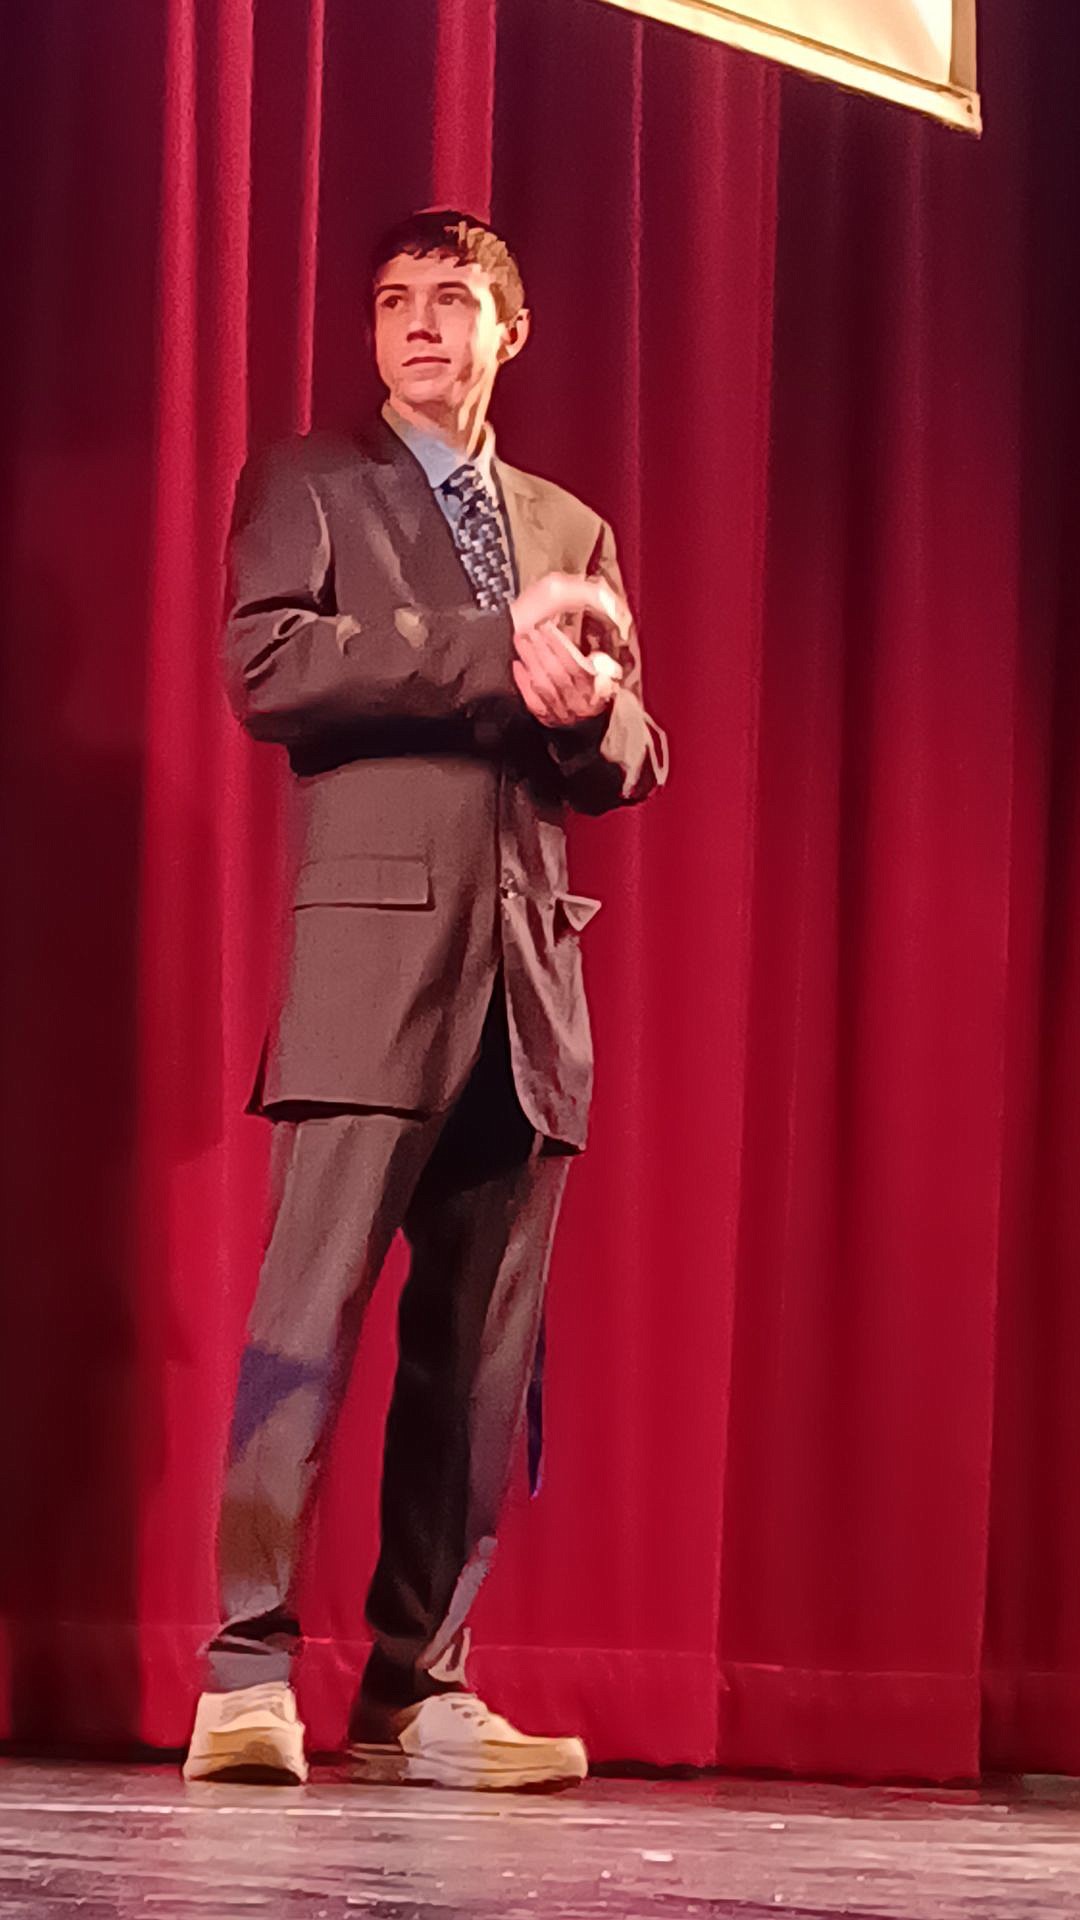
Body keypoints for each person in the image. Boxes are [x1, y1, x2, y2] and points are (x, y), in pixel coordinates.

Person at [183, 209, 669, 1793]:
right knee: (301, 1334)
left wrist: (589, 706)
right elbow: (272, 670)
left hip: (526, 994)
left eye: (451, 301)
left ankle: (419, 1687)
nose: (415, 325)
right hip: (367, 971)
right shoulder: (306, 486)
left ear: (508, 330)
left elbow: (636, 760)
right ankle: (246, 1669)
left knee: (474, 1367)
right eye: (393, 302)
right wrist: (487, 645)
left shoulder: (571, 524)